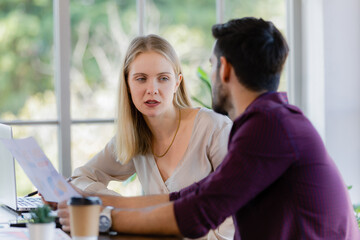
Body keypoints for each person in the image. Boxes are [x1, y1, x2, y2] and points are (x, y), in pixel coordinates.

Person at [59, 18, 360, 239]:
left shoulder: (268, 127)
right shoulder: (274, 120)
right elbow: (190, 196)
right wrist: (101, 206)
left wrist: (105, 218)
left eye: (212, 65)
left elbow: (198, 212)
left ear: (225, 68)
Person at [66, 34, 234, 239]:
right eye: (141, 79)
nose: (152, 90)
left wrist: (132, 215)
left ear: (177, 83)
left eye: (163, 78)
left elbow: (233, 222)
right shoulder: (133, 137)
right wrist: (120, 207)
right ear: (127, 84)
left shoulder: (214, 128)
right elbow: (80, 178)